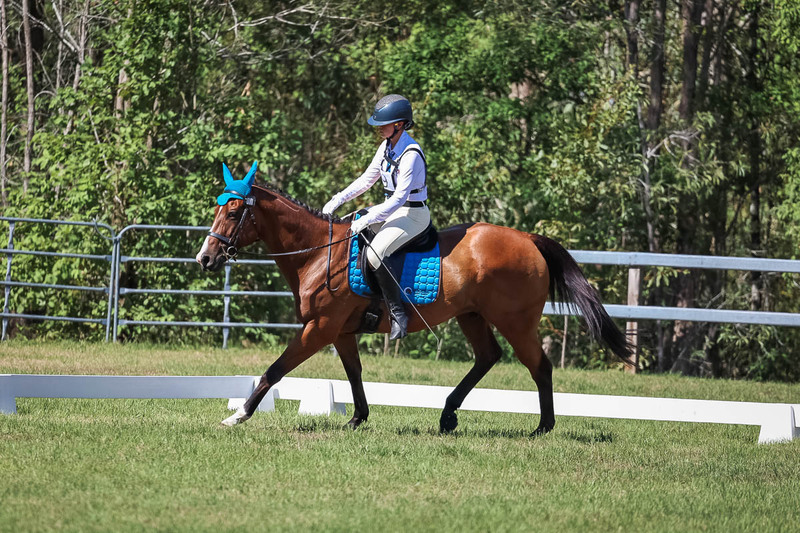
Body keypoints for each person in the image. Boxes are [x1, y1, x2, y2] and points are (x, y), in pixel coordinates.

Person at [323, 94, 429, 340]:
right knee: (343, 229)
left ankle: (397, 314)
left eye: (384, 123)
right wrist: (338, 199)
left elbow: (398, 200)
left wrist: (368, 219)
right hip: (391, 209)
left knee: (374, 253)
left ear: (399, 124)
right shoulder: (386, 146)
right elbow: (366, 180)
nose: (379, 128)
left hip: (413, 214)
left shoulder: (410, 153)